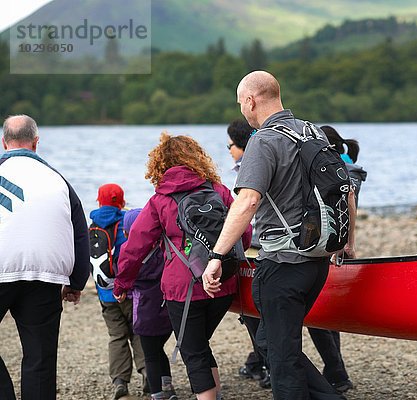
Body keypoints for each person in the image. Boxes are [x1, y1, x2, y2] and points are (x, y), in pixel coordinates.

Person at [202, 70, 356, 400]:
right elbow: (346, 191)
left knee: (282, 362)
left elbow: (248, 200)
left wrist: (217, 255)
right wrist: (348, 243)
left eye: (240, 102)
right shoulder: (312, 131)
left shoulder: (263, 140)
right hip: (317, 262)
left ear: (250, 101)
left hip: (283, 265)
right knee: (273, 344)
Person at [113, 132, 252, 400]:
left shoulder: (160, 200)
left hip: (182, 289)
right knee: (199, 343)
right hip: (223, 284)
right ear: (197, 158)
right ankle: (216, 394)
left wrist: (122, 283)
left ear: (160, 164)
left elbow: (135, 247)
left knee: (193, 350)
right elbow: (243, 236)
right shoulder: (219, 190)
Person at [0, 114, 89, 400]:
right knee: (40, 357)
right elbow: (80, 232)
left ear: (3, 142)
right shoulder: (58, 180)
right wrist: (76, 282)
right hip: (46, 276)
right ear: (36, 143)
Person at [305, 125, 368, 393]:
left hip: (332, 248)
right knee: (324, 314)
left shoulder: (338, 172)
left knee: (317, 313)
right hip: (338, 247)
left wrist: (345, 245)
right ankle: (335, 369)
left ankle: (336, 370)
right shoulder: (346, 168)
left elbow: (343, 207)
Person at [91, 183, 146, 399]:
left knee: (117, 336)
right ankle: (147, 375)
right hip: (130, 291)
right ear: (121, 201)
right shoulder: (128, 221)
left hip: (105, 293)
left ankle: (120, 382)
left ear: (98, 200)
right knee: (139, 332)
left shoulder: (93, 224)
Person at [227, 119, 270, 387]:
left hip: (257, 246)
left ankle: (265, 365)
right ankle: (259, 361)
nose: (229, 150)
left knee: (256, 307)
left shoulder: (249, 167)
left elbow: (247, 207)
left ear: (240, 144)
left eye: (230, 145)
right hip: (269, 243)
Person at [119, 208, 177, 400]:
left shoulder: (129, 251)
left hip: (144, 312)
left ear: (128, 231)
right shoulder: (163, 248)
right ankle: (168, 387)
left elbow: (123, 276)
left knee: (150, 355)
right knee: (159, 349)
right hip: (166, 310)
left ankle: (157, 394)